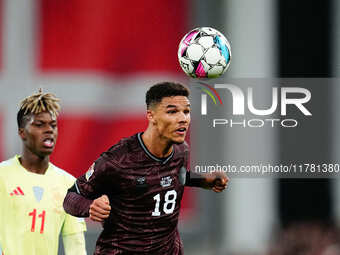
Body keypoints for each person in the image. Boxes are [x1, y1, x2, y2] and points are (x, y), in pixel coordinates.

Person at [63, 82, 228, 254]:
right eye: (172, 112)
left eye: (186, 111)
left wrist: (203, 180)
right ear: (151, 116)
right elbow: (71, 198)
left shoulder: (181, 150)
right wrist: (90, 207)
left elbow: (173, 176)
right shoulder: (119, 159)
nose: (182, 118)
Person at [0, 90, 87, 255]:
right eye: (39, 125)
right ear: (22, 132)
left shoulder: (69, 185)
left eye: (53, 125)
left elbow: (75, 247)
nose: (49, 130)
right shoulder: (2, 176)